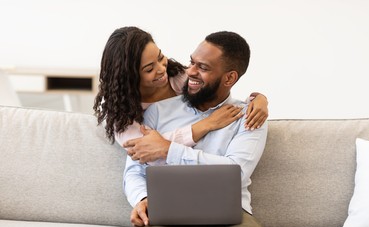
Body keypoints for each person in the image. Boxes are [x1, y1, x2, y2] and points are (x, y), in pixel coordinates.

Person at [123, 31, 268, 227]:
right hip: (169, 214)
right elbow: (134, 169)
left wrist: (169, 150)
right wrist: (141, 198)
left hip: (227, 216)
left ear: (229, 78)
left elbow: (235, 172)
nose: (190, 71)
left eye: (203, 67)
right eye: (191, 62)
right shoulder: (158, 112)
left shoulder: (249, 116)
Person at [93, 27, 269, 153]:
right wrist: (205, 125)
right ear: (129, 77)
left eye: (161, 57)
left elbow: (218, 88)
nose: (161, 69)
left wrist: (258, 99)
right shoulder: (122, 115)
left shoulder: (178, 77)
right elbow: (142, 149)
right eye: (149, 69)